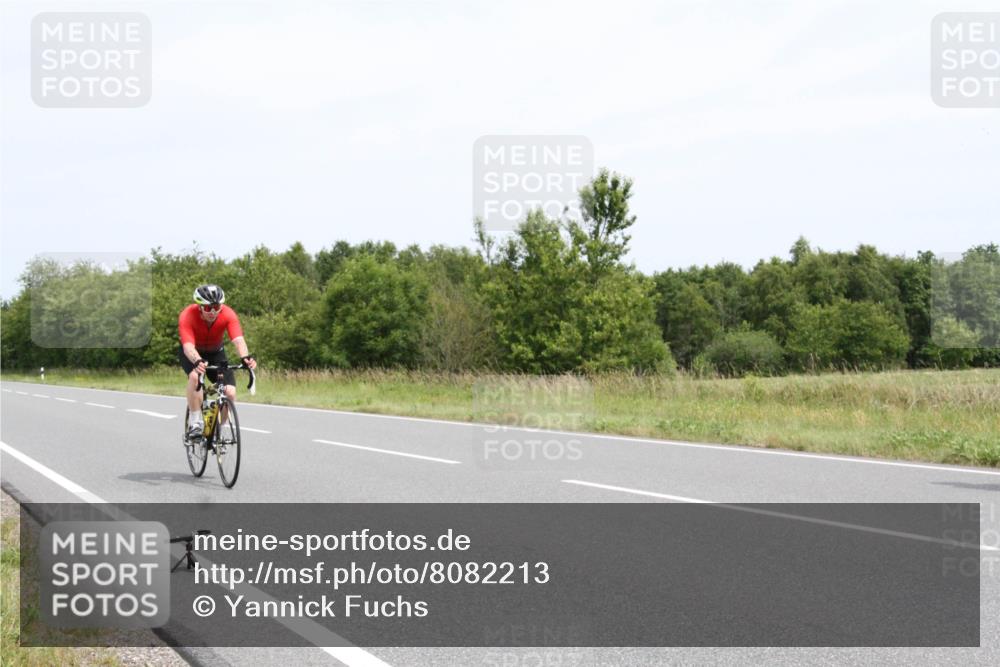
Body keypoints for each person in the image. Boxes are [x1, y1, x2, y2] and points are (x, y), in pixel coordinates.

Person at [178, 284, 257, 439]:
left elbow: (239, 340)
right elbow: (187, 346)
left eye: (216, 307)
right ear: (200, 307)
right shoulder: (187, 315)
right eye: (208, 308)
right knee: (195, 377)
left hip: (216, 353)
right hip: (192, 352)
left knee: (229, 391)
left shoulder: (228, 314)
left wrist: (245, 358)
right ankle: (195, 423)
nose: (213, 312)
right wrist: (197, 360)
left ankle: (219, 429)